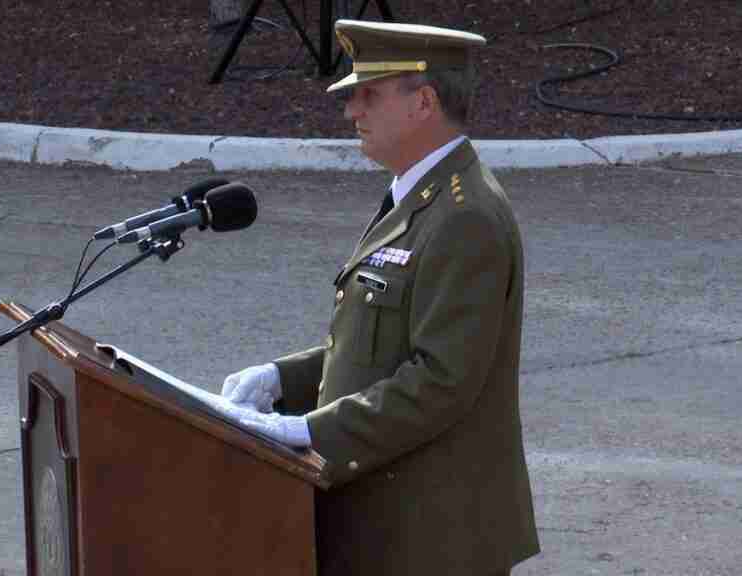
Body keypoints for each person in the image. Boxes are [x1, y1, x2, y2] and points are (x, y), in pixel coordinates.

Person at [220, 19, 540, 576]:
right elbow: (379, 344)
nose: (352, 111)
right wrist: (283, 379)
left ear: (424, 102)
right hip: (391, 521)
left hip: (432, 537)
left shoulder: (466, 217)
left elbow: (440, 381)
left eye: (368, 94)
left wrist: (308, 432)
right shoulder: (419, 196)